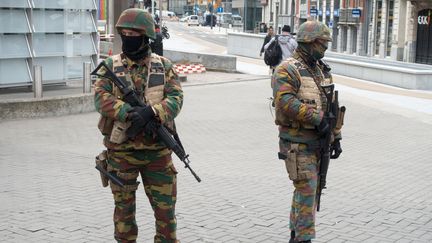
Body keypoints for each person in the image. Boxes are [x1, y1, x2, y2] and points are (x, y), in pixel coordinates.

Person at [94, 8, 183, 243]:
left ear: (145, 37)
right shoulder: (110, 67)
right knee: (124, 219)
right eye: (125, 34)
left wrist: (152, 111)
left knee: (166, 218)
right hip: (122, 153)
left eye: (133, 34)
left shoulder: (163, 66)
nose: (128, 39)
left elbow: (176, 99)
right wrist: (128, 112)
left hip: (158, 155)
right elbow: (100, 97)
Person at [271, 20, 343, 243]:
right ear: (309, 42)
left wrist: (336, 136)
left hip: (320, 142)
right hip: (297, 143)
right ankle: (304, 239)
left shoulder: (321, 70)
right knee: (307, 189)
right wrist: (316, 118)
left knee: (308, 192)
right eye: (322, 43)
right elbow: (285, 101)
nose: (325, 48)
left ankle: (297, 235)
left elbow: (332, 105)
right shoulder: (288, 69)